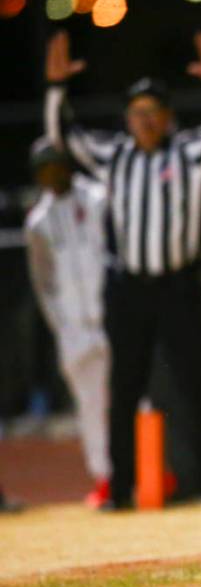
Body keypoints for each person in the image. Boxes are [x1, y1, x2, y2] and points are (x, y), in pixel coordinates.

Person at [43, 29, 201, 509]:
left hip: (179, 284)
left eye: (154, 112)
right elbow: (61, 139)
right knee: (126, 388)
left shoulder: (190, 153)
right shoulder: (115, 155)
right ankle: (120, 490)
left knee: (196, 385)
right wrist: (56, 90)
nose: (146, 120)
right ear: (127, 119)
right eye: (137, 113)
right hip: (131, 288)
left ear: (168, 118)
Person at [23, 137, 111, 508]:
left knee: (131, 398)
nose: (52, 174)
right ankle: (104, 476)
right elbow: (43, 282)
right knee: (89, 405)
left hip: (109, 317)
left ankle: (148, 470)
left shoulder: (97, 199)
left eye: (57, 165)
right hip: (73, 328)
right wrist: (61, 326)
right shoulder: (38, 222)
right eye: (44, 169)